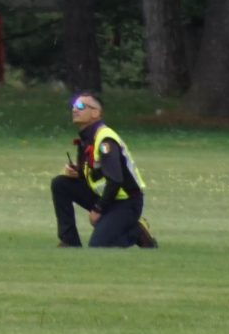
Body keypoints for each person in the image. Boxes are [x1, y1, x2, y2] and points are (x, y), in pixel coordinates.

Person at [52, 93, 158, 248]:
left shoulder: (105, 140)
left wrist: (98, 209)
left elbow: (115, 179)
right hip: (106, 196)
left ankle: (138, 231)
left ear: (95, 113)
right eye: (73, 106)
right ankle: (70, 242)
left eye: (81, 106)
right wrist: (77, 171)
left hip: (126, 202)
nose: (75, 109)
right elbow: (95, 170)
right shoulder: (86, 138)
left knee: (99, 247)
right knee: (60, 183)